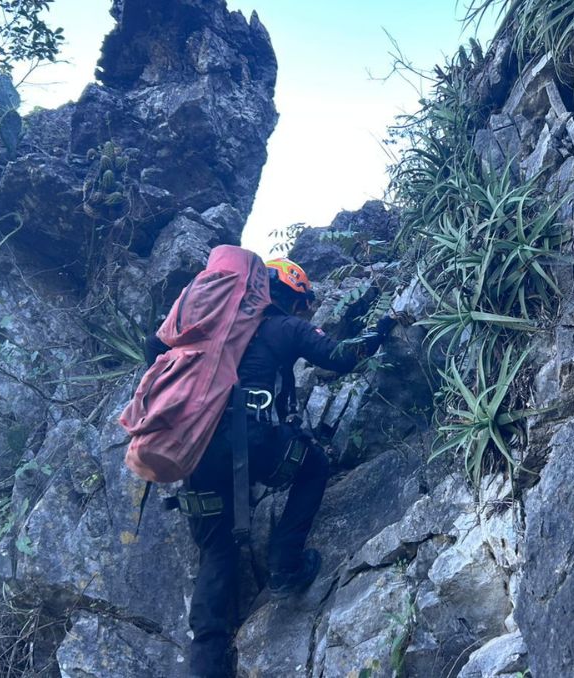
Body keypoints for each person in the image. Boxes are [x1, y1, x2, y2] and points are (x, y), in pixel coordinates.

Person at [144, 257, 397, 678]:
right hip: (253, 443)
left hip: (194, 450)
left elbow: (153, 352)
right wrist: (383, 326)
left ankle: (205, 666)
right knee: (313, 465)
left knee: (217, 548)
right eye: (302, 304)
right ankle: (285, 567)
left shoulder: (204, 333)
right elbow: (339, 357)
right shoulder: (284, 326)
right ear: (291, 298)